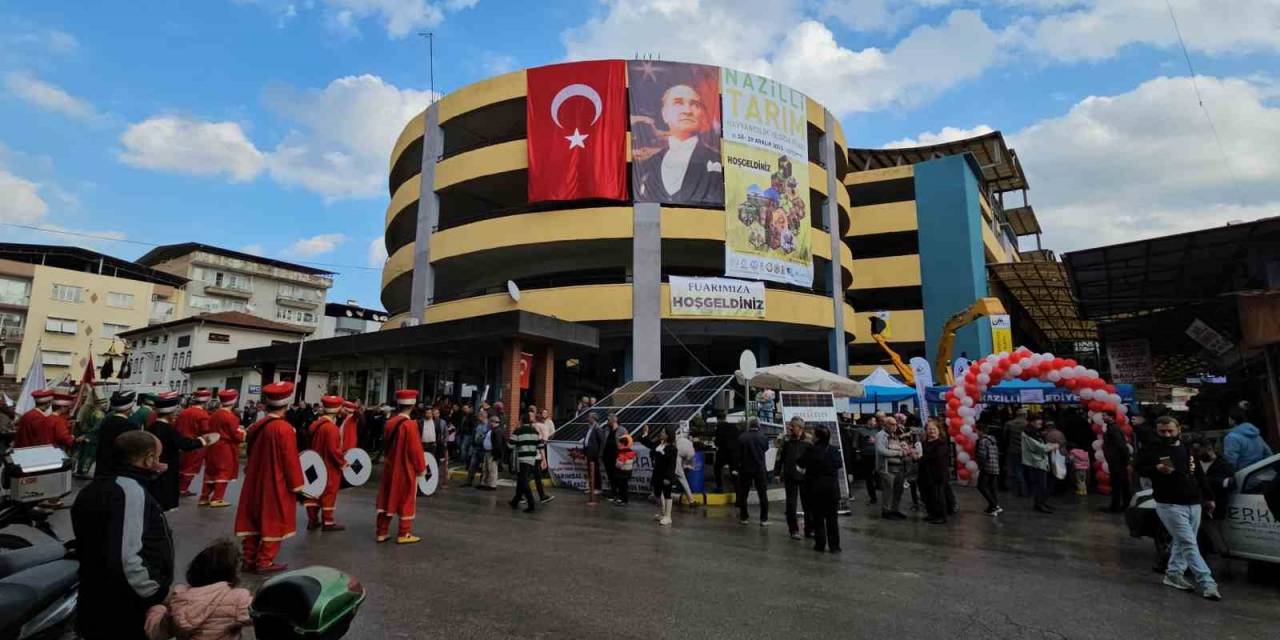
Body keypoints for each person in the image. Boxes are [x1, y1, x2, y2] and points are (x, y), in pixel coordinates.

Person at [72, 430, 174, 640]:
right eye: (157, 458)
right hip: (122, 607)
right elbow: (127, 558)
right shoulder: (130, 492)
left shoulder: (95, 487)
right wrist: (154, 593)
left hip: (94, 596)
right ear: (148, 459)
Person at [1136, 417, 1221, 600]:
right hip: (1170, 504)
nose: (1167, 434)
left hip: (1193, 503)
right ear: (1156, 432)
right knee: (1189, 543)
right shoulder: (1151, 450)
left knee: (1181, 541)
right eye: (1162, 431)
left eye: (1170, 431)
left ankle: (1173, 574)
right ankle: (1207, 582)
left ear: (1178, 429)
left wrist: (1209, 497)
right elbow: (1139, 468)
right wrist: (1156, 469)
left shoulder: (1187, 449)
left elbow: (1198, 474)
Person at [234, 381, 306, 573]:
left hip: (255, 477)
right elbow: (290, 461)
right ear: (287, 404)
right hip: (275, 480)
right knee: (272, 518)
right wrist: (298, 486)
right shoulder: (284, 429)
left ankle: (248, 559)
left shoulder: (258, 425)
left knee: (253, 519)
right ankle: (265, 561)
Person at [144, 539, 253, 640]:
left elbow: (155, 632)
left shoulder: (179, 597)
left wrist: (158, 608)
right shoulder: (237, 598)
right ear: (231, 573)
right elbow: (262, 615)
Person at [634, 83, 722, 204]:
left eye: (694, 104)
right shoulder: (648, 165)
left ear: (701, 114)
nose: (687, 111)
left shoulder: (717, 160)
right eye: (678, 103)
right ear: (664, 114)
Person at [146, 392, 218, 511]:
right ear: (169, 413)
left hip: (152, 466)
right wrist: (202, 441)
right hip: (167, 467)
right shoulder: (168, 429)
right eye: (174, 412)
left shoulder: (152, 427)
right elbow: (184, 444)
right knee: (163, 498)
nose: (176, 414)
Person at [376, 389, 427, 544]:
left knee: (387, 497)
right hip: (404, 468)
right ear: (413, 406)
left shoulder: (389, 423)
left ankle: (381, 532)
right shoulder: (410, 425)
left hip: (390, 466)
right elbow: (415, 449)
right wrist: (421, 468)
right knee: (406, 499)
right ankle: (404, 533)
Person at [305, 395, 349, 532]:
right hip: (328, 465)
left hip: (314, 463)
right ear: (337, 409)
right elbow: (333, 450)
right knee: (329, 493)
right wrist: (343, 463)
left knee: (314, 492)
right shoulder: (331, 428)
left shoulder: (316, 425)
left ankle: (312, 520)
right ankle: (328, 521)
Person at [796, 425, 843, 553]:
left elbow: (800, 463)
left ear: (816, 437)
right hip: (832, 489)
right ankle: (834, 546)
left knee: (818, 518)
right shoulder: (833, 450)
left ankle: (820, 544)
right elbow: (839, 464)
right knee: (832, 519)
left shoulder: (810, 450)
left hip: (815, 488)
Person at [201, 389, 247, 508]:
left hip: (212, 445)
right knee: (223, 472)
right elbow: (236, 435)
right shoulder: (230, 417)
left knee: (211, 471)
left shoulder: (214, 414)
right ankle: (217, 498)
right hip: (225, 447)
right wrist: (243, 432)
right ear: (234, 401)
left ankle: (204, 497)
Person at [776, 417, 811, 539]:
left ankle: (809, 530)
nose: (790, 428)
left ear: (800, 428)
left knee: (808, 504)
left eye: (793, 426)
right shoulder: (786, 439)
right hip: (790, 475)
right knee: (791, 505)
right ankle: (793, 530)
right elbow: (780, 456)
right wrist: (777, 472)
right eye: (790, 425)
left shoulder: (809, 440)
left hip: (805, 476)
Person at [175, 388, 213, 496]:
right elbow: (205, 430)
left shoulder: (184, 412)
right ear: (205, 401)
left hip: (181, 442)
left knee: (181, 466)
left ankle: (176, 487)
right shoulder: (203, 415)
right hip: (195, 444)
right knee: (190, 468)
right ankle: (183, 489)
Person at [639, 424, 678, 526]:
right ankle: (663, 514)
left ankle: (668, 516)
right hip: (657, 473)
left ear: (668, 435)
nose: (661, 433)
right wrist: (645, 433)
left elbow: (672, 465)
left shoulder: (672, 449)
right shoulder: (658, 444)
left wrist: (668, 477)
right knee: (657, 493)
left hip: (666, 475)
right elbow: (647, 443)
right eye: (662, 432)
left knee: (667, 494)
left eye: (663, 432)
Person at [96, 390, 141, 477]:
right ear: (129, 408)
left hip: (102, 467)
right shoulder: (131, 426)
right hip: (120, 470)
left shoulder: (106, 422)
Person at [736, 418, 769, 526]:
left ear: (749, 425)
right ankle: (763, 519)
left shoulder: (742, 437)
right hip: (759, 468)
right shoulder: (763, 437)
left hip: (745, 469)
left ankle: (744, 517)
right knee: (762, 494)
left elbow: (738, 454)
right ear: (758, 425)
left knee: (743, 494)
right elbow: (765, 448)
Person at [875, 416, 909, 520]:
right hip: (887, 469)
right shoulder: (880, 435)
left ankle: (895, 510)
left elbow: (902, 446)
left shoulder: (895, 434)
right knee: (888, 491)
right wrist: (899, 453)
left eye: (896, 424)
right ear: (886, 425)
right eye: (892, 424)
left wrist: (905, 448)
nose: (895, 426)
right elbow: (881, 451)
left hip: (899, 468)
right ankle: (886, 512)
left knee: (898, 491)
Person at [510, 413, 544, 513]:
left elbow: (510, 445)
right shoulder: (534, 431)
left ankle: (531, 503)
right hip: (532, 458)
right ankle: (515, 501)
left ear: (521, 420)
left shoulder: (518, 431)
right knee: (521, 479)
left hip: (522, 459)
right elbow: (540, 444)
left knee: (523, 480)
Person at [918, 419, 950, 524]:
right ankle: (932, 514)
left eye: (934, 429)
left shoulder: (941, 443)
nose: (931, 431)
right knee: (927, 495)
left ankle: (941, 516)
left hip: (938, 474)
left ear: (939, 430)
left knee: (938, 496)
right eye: (929, 429)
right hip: (925, 473)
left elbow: (935, 457)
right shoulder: (924, 443)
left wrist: (920, 458)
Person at [1022, 420, 1056, 514]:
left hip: (1040, 461)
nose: (1041, 425)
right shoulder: (1028, 434)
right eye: (1039, 423)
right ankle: (1039, 504)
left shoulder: (1035, 433)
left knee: (1043, 485)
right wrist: (1052, 446)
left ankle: (1041, 502)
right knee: (1041, 485)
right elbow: (1039, 447)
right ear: (1032, 422)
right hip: (1036, 462)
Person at [1102, 419, 1132, 513]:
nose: (1103, 417)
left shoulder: (1113, 429)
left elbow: (1121, 445)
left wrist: (1126, 459)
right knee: (1122, 484)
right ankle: (1125, 504)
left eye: (1105, 415)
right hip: (1118, 460)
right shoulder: (1114, 428)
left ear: (1111, 417)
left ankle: (1116, 506)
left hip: (1117, 461)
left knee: (1118, 484)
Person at [74, 394, 108, 477]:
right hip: (93, 438)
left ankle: (79, 470)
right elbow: (97, 428)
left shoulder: (92, 412)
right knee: (89, 456)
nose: (107, 406)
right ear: (101, 404)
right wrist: (88, 435)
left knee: (83, 455)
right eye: (105, 404)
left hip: (86, 436)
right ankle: (83, 472)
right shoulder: (100, 415)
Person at [974, 422, 1002, 515]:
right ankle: (993, 506)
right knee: (992, 487)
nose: (976, 433)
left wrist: (980, 464)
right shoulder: (992, 440)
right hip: (995, 466)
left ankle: (994, 505)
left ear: (980, 431)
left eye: (977, 431)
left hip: (986, 467)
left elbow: (982, 455)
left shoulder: (982, 441)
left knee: (981, 486)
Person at [583, 412, 607, 504]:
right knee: (590, 470)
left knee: (595, 471)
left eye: (589, 417)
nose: (588, 419)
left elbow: (602, 442)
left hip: (595, 453)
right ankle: (592, 487)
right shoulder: (589, 428)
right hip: (589, 452)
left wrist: (600, 454)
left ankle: (598, 487)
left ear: (593, 418)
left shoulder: (598, 428)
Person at [1003, 410, 1028, 495]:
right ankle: (1025, 489)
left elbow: (1005, 437)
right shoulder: (1027, 424)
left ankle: (1018, 488)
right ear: (1024, 415)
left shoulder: (1009, 424)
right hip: (1026, 450)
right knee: (1025, 469)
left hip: (1013, 449)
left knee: (1016, 468)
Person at [464, 410, 490, 487]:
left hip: (484, 449)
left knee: (484, 468)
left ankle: (482, 483)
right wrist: (473, 443)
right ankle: (469, 481)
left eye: (479, 416)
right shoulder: (478, 425)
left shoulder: (488, 426)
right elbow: (474, 434)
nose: (478, 418)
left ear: (483, 416)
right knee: (472, 466)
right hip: (476, 448)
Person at [603, 413, 626, 502]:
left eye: (609, 420)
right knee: (610, 476)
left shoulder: (622, 430)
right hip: (607, 456)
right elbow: (603, 442)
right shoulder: (607, 429)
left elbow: (626, 443)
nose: (607, 422)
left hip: (616, 456)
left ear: (614, 420)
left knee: (617, 476)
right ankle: (613, 493)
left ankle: (620, 495)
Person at [712, 417, 739, 492]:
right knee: (733, 470)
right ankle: (736, 488)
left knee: (717, 469)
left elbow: (717, 442)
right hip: (734, 453)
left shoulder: (719, 428)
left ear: (719, 420)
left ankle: (719, 486)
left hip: (723, 453)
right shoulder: (734, 427)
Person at [614, 431, 637, 505]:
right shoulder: (631, 452)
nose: (618, 444)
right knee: (625, 486)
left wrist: (616, 461)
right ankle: (625, 499)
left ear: (623, 443)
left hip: (622, 472)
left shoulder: (622, 452)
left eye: (620, 442)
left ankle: (622, 499)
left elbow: (619, 464)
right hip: (629, 471)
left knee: (621, 486)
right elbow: (634, 459)